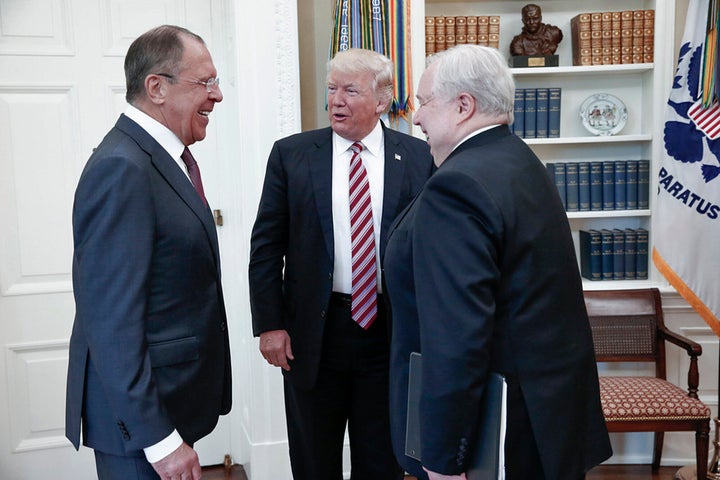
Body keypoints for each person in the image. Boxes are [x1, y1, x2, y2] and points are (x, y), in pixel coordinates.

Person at [384, 44, 612, 480]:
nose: (416, 118)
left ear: (463, 106)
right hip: (545, 417)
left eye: (425, 102)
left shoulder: (458, 186)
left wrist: (445, 458)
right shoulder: (518, 160)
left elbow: (456, 334)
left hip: (500, 433)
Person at [249, 48, 434, 480]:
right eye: (332, 89)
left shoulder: (420, 158)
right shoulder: (291, 155)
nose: (336, 100)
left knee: (382, 459)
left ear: (383, 100)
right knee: (315, 459)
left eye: (350, 90)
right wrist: (269, 324)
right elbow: (265, 246)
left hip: (390, 331)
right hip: (313, 332)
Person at [65, 25, 231, 480]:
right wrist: (159, 439)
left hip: (170, 406)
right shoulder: (123, 168)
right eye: (206, 82)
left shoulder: (158, 159)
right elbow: (111, 321)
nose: (216, 96)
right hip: (142, 430)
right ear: (156, 87)